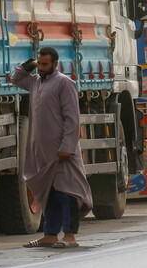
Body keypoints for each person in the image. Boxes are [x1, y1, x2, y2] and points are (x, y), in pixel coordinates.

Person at [12, 46, 92, 249]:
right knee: (49, 193)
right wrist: (30, 65)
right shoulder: (35, 82)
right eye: (39, 64)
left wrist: (67, 147)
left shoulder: (65, 83)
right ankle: (50, 234)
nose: (41, 68)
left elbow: (72, 118)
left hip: (63, 152)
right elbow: (16, 78)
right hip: (43, 153)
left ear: (55, 64)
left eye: (45, 64)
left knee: (68, 193)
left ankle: (70, 236)